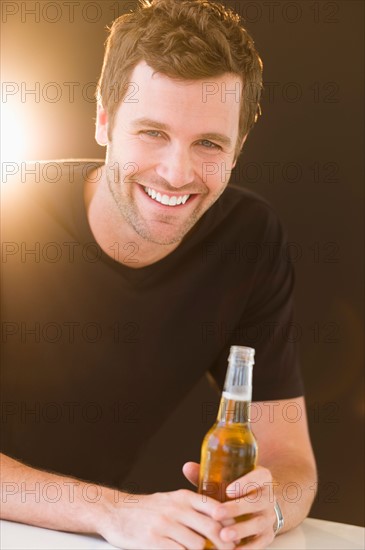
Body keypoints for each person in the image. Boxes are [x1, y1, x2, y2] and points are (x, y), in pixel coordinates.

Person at [0, 0, 317, 548]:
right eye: (152, 132)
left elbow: (292, 465)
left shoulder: (251, 240)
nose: (177, 173)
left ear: (239, 149)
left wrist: (272, 513)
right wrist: (113, 511)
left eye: (209, 144)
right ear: (102, 120)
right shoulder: (10, 213)